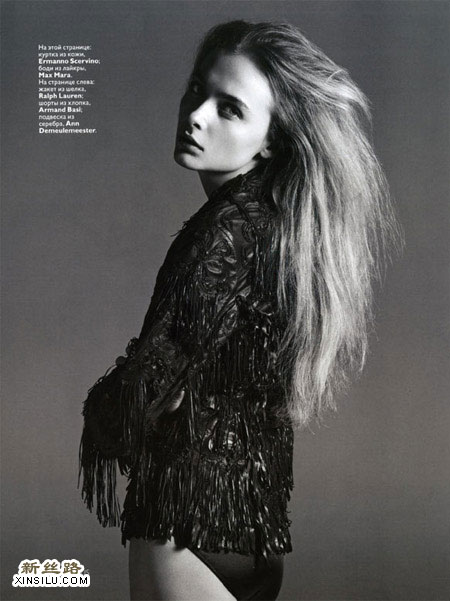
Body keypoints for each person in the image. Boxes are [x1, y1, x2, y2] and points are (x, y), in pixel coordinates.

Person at [78, 19, 401, 601]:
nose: (196, 115)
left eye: (229, 108)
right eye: (196, 90)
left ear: (270, 140)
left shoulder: (225, 232)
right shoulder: (284, 228)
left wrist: (100, 410)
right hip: (256, 534)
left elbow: (153, 381)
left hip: (184, 529)